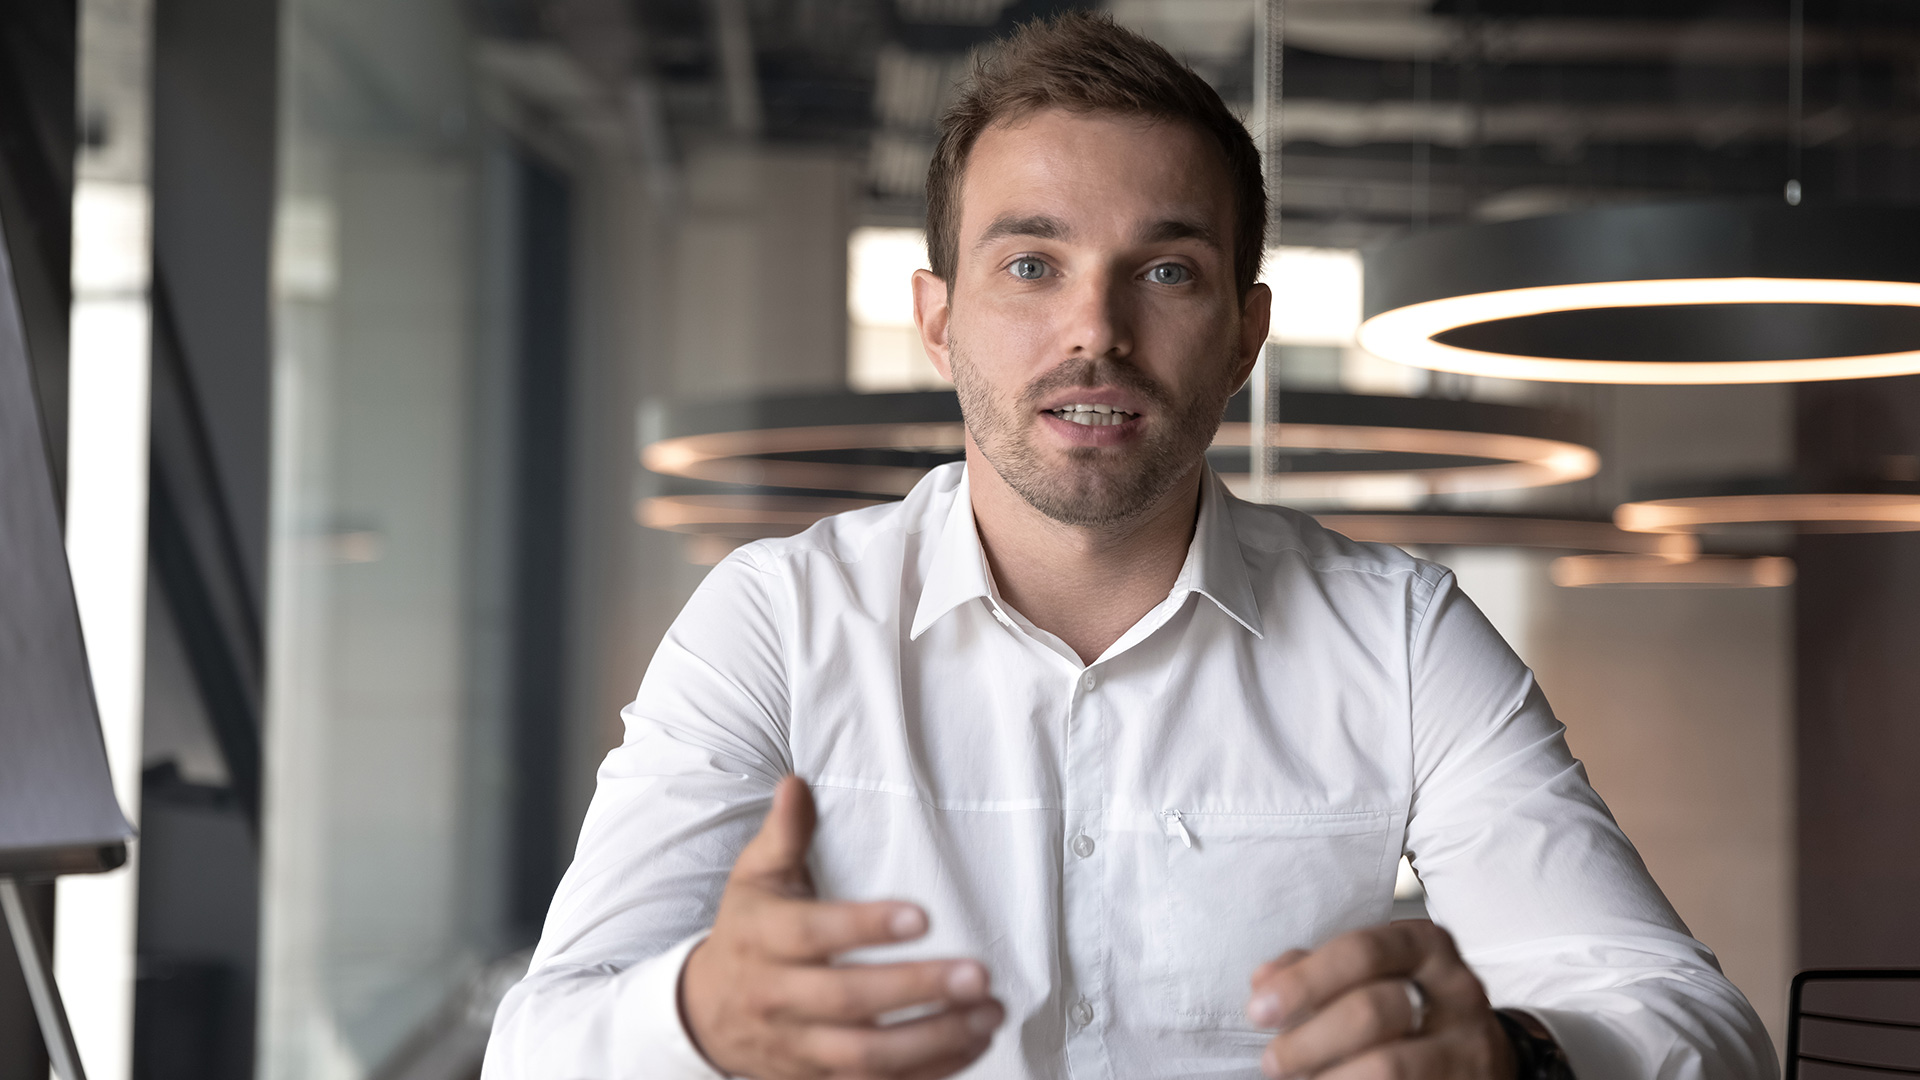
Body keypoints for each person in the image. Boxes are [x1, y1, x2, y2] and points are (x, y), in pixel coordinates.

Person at [483, 13, 1774, 1080]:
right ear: (937, 321)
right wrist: (701, 1020)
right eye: (1031, 265)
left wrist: (1514, 1057)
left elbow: (1693, 1021)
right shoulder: (774, 622)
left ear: (1247, 334)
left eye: (1165, 273)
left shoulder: (1399, 632)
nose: (1093, 331)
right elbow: (535, 1050)